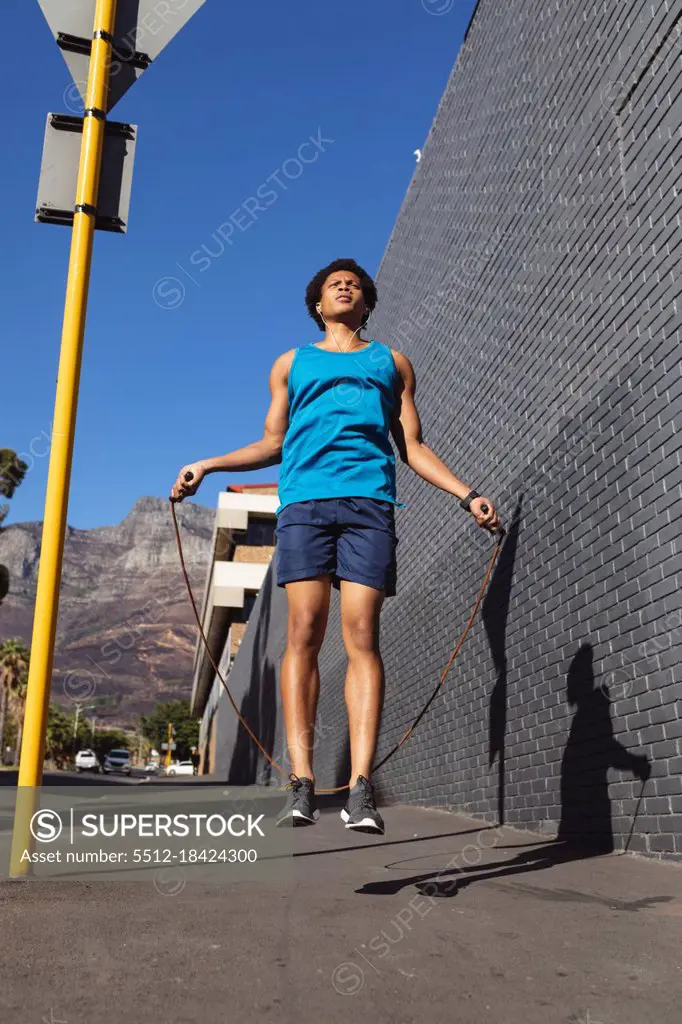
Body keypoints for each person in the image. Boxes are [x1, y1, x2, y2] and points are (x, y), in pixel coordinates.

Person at [171, 258, 501, 835]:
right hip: (304, 508)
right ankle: (301, 783)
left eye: (354, 283)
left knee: (361, 634)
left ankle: (360, 788)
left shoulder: (391, 363)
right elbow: (273, 441)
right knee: (303, 631)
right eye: (333, 284)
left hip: (369, 507)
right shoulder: (291, 364)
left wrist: (465, 493)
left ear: (366, 303)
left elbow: (413, 446)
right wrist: (208, 464)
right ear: (318, 305)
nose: (344, 286)